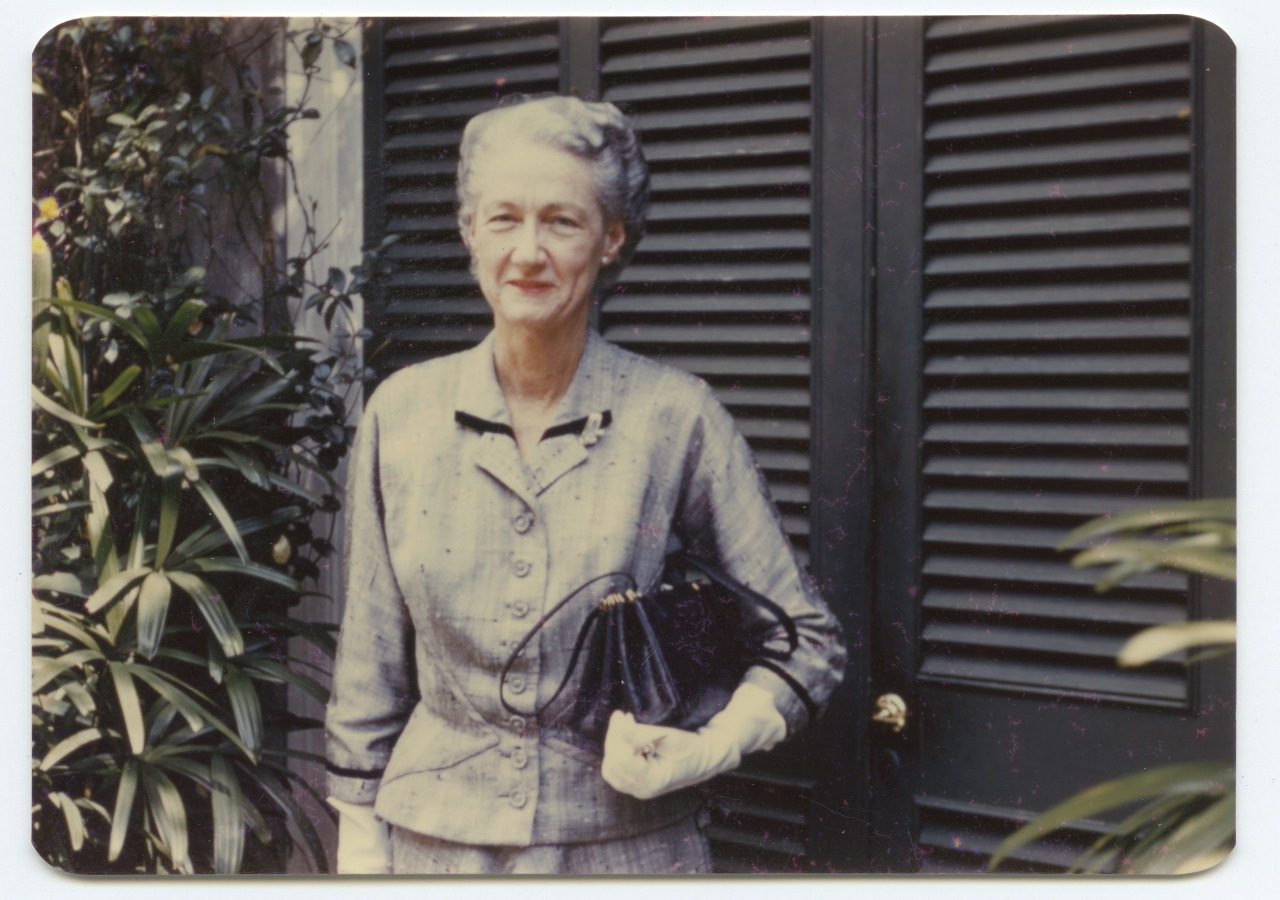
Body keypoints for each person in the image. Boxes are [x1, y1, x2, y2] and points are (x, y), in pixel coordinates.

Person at [324, 93, 846, 875]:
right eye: (503, 219)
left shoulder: (677, 417)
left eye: (562, 222)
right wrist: (359, 850)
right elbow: (369, 668)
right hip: (430, 851)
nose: (528, 252)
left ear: (611, 238)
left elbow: (807, 641)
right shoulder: (403, 414)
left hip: (630, 853)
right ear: (470, 235)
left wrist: (710, 747)